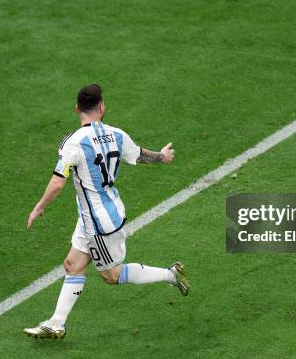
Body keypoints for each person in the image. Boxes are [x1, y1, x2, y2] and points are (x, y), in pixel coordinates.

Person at [24, 84, 190, 339]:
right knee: (72, 265)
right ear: (102, 107)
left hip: (100, 225)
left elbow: (58, 182)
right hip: (96, 215)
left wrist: (38, 207)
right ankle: (57, 323)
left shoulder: (73, 142)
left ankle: (171, 274)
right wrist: (162, 156)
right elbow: (139, 156)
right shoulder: (117, 134)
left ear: (77, 108)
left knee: (111, 275)